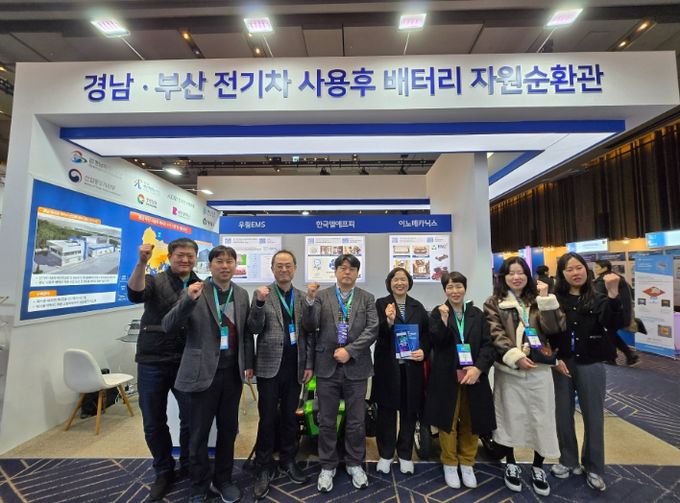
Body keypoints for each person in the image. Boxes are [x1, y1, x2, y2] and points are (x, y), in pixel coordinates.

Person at [161, 245, 252, 503]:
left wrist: (248, 363)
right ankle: (199, 484)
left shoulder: (241, 294)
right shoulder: (195, 290)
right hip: (202, 374)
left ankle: (224, 480)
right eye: (219, 261)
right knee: (198, 433)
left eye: (230, 261)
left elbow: (245, 333)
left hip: (231, 374)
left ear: (235, 265)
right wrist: (188, 301)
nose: (225, 266)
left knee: (228, 430)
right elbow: (168, 325)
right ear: (210, 266)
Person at [483, 256, 566, 497]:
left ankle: (538, 466)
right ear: (503, 277)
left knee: (542, 417)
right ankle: (511, 463)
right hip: (510, 370)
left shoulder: (540, 299)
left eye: (520, 272)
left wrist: (546, 300)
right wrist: (515, 356)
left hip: (540, 369)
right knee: (510, 417)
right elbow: (495, 333)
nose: (516, 277)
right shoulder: (494, 302)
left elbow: (555, 328)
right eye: (511, 273)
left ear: (528, 276)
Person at [127, 238, 199, 500]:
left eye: (190, 256)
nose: (185, 260)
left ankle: (189, 465)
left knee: (191, 418)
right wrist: (141, 263)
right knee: (153, 420)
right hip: (152, 360)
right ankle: (163, 471)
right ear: (170, 256)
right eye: (180, 255)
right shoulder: (155, 280)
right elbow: (135, 294)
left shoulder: (199, 284)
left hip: (186, 360)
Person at [302, 254, 378, 493]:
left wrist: (349, 351)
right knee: (326, 420)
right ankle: (327, 465)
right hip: (327, 366)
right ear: (335, 271)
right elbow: (309, 326)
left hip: (356, 367)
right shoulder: (322, 296)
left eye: (352, 269)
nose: (347, 272)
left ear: (357, 273)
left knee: (356, 421)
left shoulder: (367, 298)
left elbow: (372, 329)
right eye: (343, 268)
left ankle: (355, 463)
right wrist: (310, 301)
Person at [549, 252, 624, 492]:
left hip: (591, 362)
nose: (575, 273)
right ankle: (568, 460)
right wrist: (553, 358)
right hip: (562, 363)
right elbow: (548, 330)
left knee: (593, 416)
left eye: (579, 267)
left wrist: (613, 294)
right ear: (562, 274)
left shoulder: (599, 297)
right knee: (562, 414)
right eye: (569, 269)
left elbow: (614, 323)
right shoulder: (554, 299)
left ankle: (594, 467)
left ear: (586, 269)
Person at [247, 250, 314, 499]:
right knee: (267, 418)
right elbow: (254, 327)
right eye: (279, 266)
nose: (283, 270)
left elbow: (309, 333)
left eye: (288, 265)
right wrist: (259, 303)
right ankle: (264, 466)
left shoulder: (303, 297)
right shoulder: (263, 294)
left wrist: (309, 364)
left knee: (289, 418)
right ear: (272, 268)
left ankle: (288, 460)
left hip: (295, 367)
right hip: (268, 367)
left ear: (295, 268)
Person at [424, 271, 496, 489]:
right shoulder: (437, 313)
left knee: (472, 420)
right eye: (450, 287)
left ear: (465, 288)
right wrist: (444, 321)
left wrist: (478, 368)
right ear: (444, 290)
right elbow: (437, 342)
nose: (454, 291)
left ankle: (467, 462)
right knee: (448, 421)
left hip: (474, 376)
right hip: (447, 376)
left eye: (458, 287)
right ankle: (449, 462)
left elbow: (488, 345)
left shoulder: (477, 314)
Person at [373, 267, 429, 476]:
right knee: (386, 412)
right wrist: (388, 322)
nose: (399, 283)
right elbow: (375, 333)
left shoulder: (417, 306)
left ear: (409, 283)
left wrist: (424, 350)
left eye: (403, 279)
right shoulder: (381, 304)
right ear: (389, 283)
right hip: (388, 368)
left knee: (409, 412)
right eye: (395, 279)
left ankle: (405, 454)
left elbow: (426, 335)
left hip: (411, 369)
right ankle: (386, 454)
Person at [593, 259, 639, 365]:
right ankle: (629, 355)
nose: (595, 269)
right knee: (610, 334)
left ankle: (614, 357)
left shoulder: (603, 280)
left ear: (604, 268)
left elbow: (599, 298)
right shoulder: (618, 277)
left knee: (608, 334)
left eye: (597, 267)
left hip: (610, 314)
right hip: (621, 312)